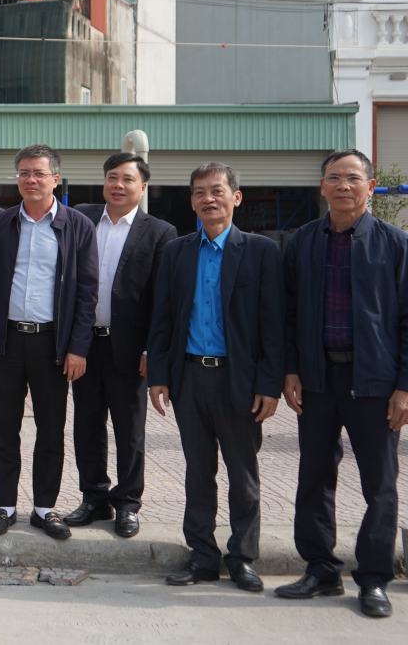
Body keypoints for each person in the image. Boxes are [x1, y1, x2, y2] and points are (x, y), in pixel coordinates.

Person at [277, 149, 407, 618]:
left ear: (371, 187)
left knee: (380, 483)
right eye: (334, 178)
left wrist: (404, 387)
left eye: (353, 178)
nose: (343, 186)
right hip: (316, 379)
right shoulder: (302, 242)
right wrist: (290, 369)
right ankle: (320, 569)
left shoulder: (395, 244)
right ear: (322, 187)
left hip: (375, 381)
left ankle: (373, 578)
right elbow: (288, 315)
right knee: (313, 475)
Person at [147, 163, 283, 592]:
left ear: (236, 197)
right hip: (189, 378)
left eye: (217, 190)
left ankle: (242, 557)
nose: (209, 198)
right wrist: (159, 376)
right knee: (198, 471)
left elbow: (273, 326)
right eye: (200, 192)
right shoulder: (177, 251)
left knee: (243, 474)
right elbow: (163, 318)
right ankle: (202, 556)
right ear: (191, 201)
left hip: (239, 382)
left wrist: (268, 385)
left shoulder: (261, 252)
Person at [0, 144, 97, 541]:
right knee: (4, 429)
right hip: (7, 343)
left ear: (56, 178)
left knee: (51, 429)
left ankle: (44, 507)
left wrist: (78, 347)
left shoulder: (77, 227)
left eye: (38, 173)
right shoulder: (4, 224)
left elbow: (87, 292)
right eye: (23, 173)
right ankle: (4, 505)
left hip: (53, 346)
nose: (30, 180)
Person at [66, 154, 175, 538]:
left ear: (141, 187)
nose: (118, 185)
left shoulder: (159, 232)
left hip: (130, 350)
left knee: (130, 429)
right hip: (85, 345)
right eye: (112, 177)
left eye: (127, 179)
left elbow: (164, 299)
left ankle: (127, 503)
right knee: (87, 424)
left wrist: (152, 350)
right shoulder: (82, 218)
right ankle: (93, 498)